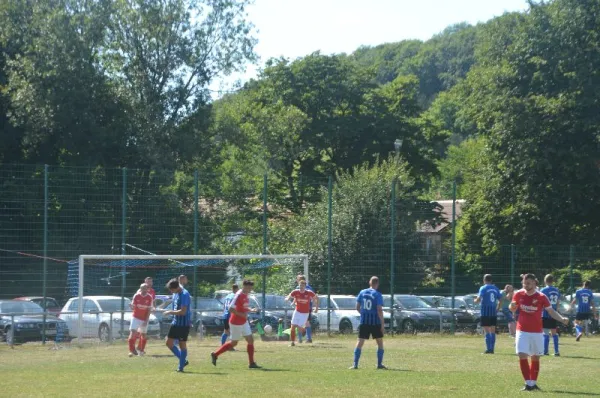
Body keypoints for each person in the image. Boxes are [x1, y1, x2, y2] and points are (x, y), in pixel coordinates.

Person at [510, 273, 568, 391]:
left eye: (529, 283)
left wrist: (562, 319)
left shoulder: (542, 296)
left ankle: (533, 383)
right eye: (524, 283)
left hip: (536, 331)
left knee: (535, 357)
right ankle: (527, 383)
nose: (526, 285)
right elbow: (513, 307)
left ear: (534, 283)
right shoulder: (518, 294)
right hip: (522, 330)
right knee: (522, 354)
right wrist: (512, 307)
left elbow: (551, 311)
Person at [211, 279, 261, 369]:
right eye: (249, 288)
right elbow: (230, 309)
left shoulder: (246, 294)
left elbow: (243, 307)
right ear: (244, 286)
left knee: (250, 340)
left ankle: (251, 363)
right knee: (234, 343)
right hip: (236, 322)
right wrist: (242, 314)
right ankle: (215, 354)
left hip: (243, 321)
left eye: (251, 288)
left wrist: (251, 310)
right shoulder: (238, 295)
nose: (250, 290)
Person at [351, 276, 385, 370]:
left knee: (360, 342)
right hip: (375, 322)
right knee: (380, 343)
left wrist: (363, 314)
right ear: (377, 284)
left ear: (370, 283)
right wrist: (382, 323)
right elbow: (379, 309)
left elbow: (357, 307)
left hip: (364, 321)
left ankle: (355, 364)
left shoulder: (362, 292)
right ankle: (379, 364)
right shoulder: (378, 294)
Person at [163, 278, 191, 372]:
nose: (171, 291)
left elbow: (183, 312)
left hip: (183, 324)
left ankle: (181, 367)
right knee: (168, 343)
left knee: (182, 345)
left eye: (171, 290)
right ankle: (183, 361)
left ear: (176, 288)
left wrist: (170, 312)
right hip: (175, 323)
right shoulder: (176, 293)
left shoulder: (184, 294)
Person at [285, 279, 318, 347]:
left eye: (303, 286)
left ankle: (304, 332)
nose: (301, 287)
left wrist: (316, 308)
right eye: (300, 285)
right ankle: (292, 342)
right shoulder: (295, 292)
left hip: (305, 313)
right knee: (293, 327)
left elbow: (316, 298)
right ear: (299, 285)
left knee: (300, 328)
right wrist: (287, 299)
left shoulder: (309, 293)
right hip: (297, 311)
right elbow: (290, 295)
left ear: (305, 286)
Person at [474, 274, 501, 354]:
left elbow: (479, 298)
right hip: (493, 312)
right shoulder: (496, 288)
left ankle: (488, 349)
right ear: (491, 280)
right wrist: (498, 308)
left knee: (486, 331)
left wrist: (475, 300)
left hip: (485, 311)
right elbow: (501, 299)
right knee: (492, 331)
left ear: (484, 280)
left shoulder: (483, 288)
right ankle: (492, 349)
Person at [128, 283, 153, 357]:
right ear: (140, 288)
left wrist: (146, 320)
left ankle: (141, 350)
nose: (144, 290)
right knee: (133, 332)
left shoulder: (149, 297)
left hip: (144, 318)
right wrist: (131, 306)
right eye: (143, 288)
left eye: (145, 288)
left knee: (143, 334)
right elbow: (133, 307)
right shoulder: (136, 295)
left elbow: (149, 310)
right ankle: (132, 350)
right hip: (135, 317)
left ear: (147, 289)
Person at [540, 274, 561, 356]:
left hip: (545, 313)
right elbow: (558, 301)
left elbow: (541, 302)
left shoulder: (543, 290)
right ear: (553, 281)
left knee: (545, 333)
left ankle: (545, 351)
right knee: (554, 333)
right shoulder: (556, 290)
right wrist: (556, 311)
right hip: (554, 314)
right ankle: (556, 351)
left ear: (545, 280)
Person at [136, 277, 156, 353]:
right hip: (140, 314)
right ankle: (139, 348)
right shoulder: (139, 291)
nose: (149, 283)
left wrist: (154, 308)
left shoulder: (152, 291)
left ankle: (140, 348)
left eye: (151, 282)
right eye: (148, 282)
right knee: (140, 332)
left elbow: (153, 301)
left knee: (143, 332)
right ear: (145, 282)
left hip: (147, 314)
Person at [295, 274, 315, 343]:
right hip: (308, 308)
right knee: (307, 322)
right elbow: (313, 298)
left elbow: (296, 297)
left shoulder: (298, 287)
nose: (297, 281)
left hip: (300, 308)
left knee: (298, 322)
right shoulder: (310, 287)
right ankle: (308, 338)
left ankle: (300, 339)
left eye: (297, 279)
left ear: (299, 280)